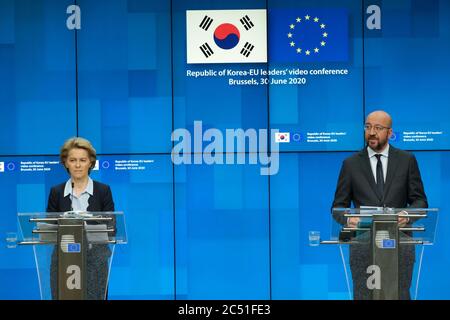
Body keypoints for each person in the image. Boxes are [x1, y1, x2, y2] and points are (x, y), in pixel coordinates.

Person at [331, 110, 428, 300]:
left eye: (378, 128)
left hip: (399, 245)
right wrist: (349, 219)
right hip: (363, 246)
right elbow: (338, 207)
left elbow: (420, 201)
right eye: (368, 127)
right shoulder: (350, 164)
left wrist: (406, 216)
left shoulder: (407, 160)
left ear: (390, 132)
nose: (372, 132)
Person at [47, 137, 115, 300]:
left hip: (96, 261)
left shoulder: (103, 191)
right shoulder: (56, 192)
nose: (77, 165)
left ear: (90, 163)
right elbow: (48, 230)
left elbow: (112, 229)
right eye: (73, 160)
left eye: (82, 160)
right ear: (65, 163)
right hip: (62, 261)